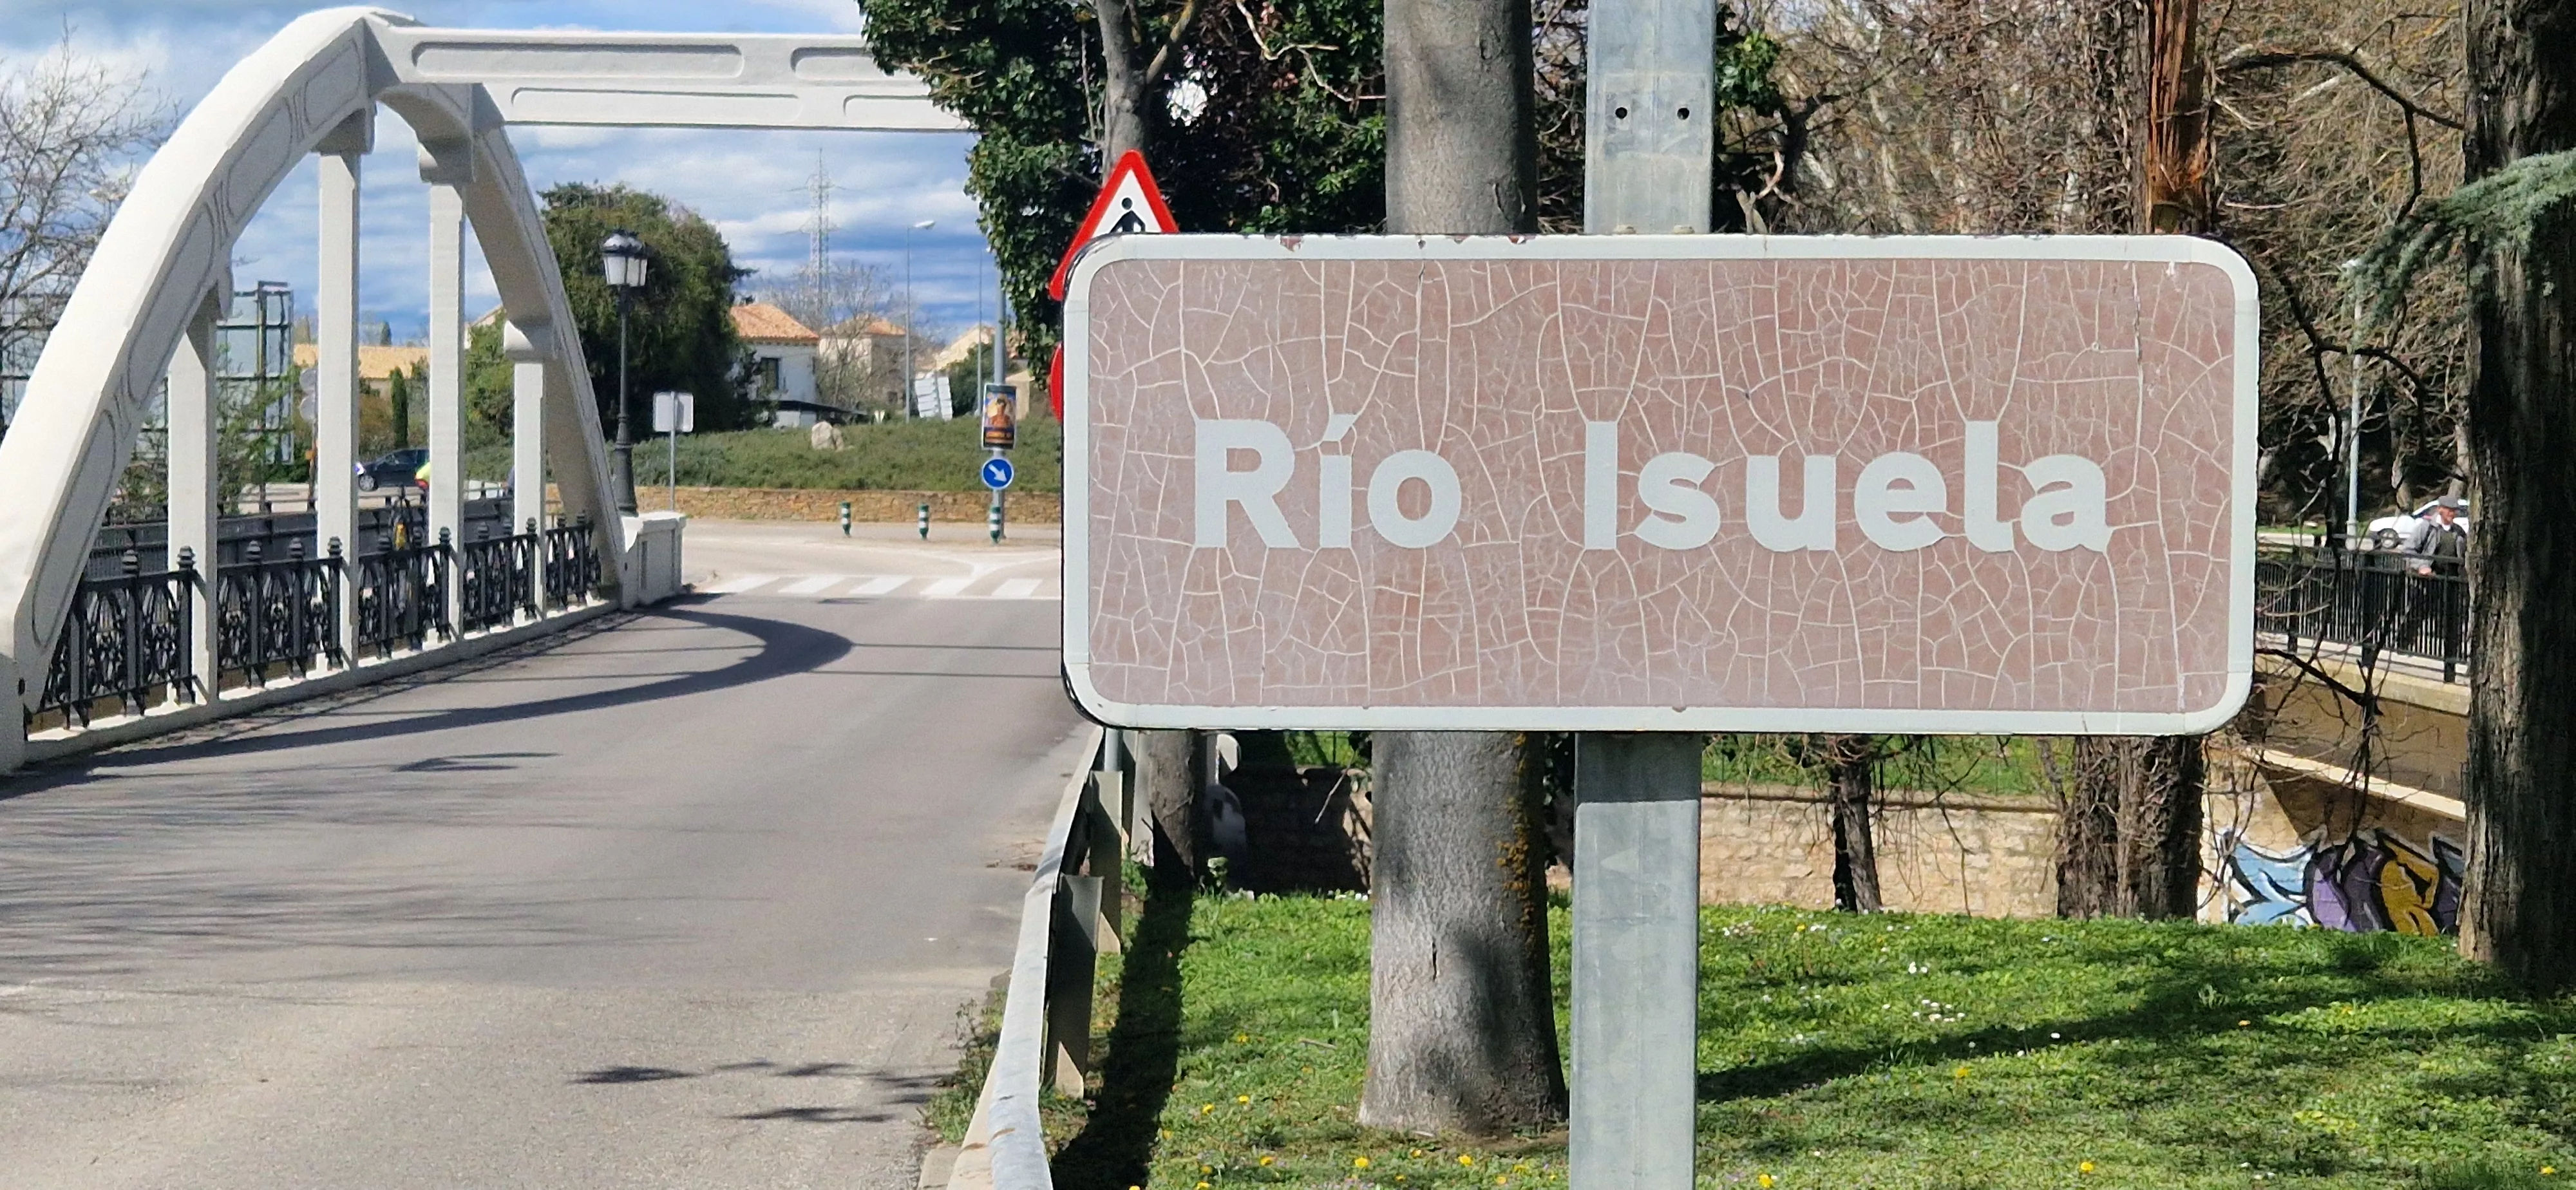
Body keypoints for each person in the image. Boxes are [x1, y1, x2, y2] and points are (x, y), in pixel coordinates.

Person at [2360, 495, 2467, 671]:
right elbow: (2409, 550)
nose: (2452, 514)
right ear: (2440, 509)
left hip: (2451, 580)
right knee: (2416, 612)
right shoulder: (2426, 527)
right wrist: (2421, 566)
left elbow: (2463, 554)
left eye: (2454, 511)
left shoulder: (2459, 532)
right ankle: (2403, 644)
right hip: (2426, 579)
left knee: (2454, 616)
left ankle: (2451, 654)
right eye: (2449, 510)